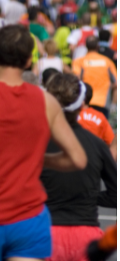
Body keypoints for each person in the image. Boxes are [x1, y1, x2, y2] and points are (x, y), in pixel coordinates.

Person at [0, 25, 87, 261]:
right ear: (27, 61)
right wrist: (40, 159)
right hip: (29, 215)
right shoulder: (46, 101)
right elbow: (78, 158)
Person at [40, 73, 116, 261]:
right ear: (82, 105)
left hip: (43, 233)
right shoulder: (97, 145)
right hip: (86, 235)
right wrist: (92, 197)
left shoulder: (35, 142)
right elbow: (116, 194)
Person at [72, 36, 117, 119]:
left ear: (86, 46)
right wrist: (108, 86)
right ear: (98, 46)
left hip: (85, 101)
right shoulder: (107, 61)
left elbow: (76, 80)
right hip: (103, 102)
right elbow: (116, 83)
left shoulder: (78, 62)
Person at [77, 83, 116, 159]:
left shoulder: (69, 116)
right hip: (95, 157)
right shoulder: (100, 117)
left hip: (75, 156)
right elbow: (110, 140)